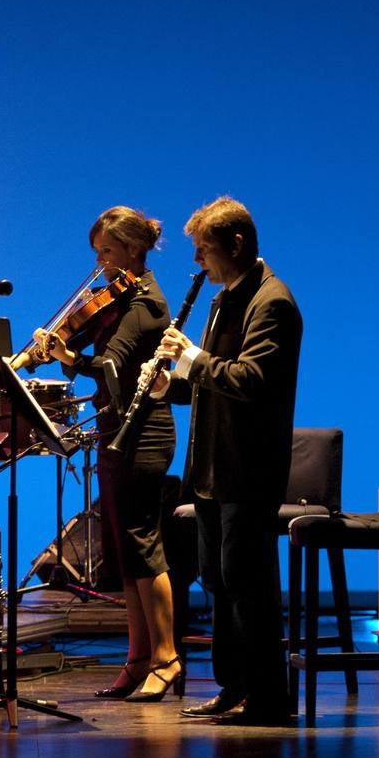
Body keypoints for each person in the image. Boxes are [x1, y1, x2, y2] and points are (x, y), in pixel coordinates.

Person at [146, 196, 302, 725]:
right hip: (211, 470)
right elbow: (212, 383)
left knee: (247, 585)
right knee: (216, 580)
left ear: (235, 246)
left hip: (247, 470)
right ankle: (233, 686)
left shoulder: (272, 303)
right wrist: (173, 383)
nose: (198, 263)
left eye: (204, 251)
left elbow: (252, 381)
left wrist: (192, 359)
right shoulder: (222, 299)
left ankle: (267, 697)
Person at [34, 206, 182, 701]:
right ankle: (138, 659)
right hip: (115, 429)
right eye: (97, 252)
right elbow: (86, 343)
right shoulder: (115, 298)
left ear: (133, 250)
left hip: (145, 433)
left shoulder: (147, 305)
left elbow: (111, 366)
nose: (99, 263)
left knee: (144, 546)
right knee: (127, 555)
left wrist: (68, 357)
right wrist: (41, 351)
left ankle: (167, 657)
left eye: (107, 251)